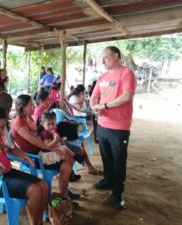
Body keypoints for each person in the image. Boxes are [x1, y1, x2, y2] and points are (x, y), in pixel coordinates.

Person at [90, 46, 136, 210]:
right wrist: (95, 107)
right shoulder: (102, 76)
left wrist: (105, 105)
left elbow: (127, 96)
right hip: (102, 124)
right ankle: (108, 180)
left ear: (116, 56)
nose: (102, 61)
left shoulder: (126, 73)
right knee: (106, 156)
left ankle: (117, 192)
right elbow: (94, 96)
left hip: (119, 126)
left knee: (119, 160)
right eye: (101, 58)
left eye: (106, 57)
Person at [11, 94, 80, 201]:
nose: (34, 107)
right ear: (22, 107)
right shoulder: (18, 123)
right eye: (30, 105)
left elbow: (41, 137)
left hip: (41, 151)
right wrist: (56, 149)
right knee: (67, 165)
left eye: (33, 104)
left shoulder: (28, 118)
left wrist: (55, 145)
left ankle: (65, 192)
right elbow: (37, 142)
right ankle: (64, 197)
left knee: (69, 160)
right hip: (33, 157)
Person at [34, 90, 102, 178]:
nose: (50, 102)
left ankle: (85, 168)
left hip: (55, 139)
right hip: (51, 143)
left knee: (79, 143)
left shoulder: (43, 110)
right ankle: (72, 172)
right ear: (41, 101)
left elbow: (50, 128)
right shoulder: (38, 113)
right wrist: (57, 137)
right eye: (48, 100)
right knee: (77, 148)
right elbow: (44, 133)